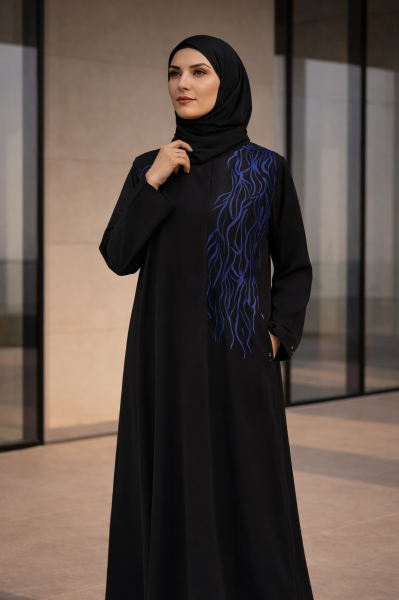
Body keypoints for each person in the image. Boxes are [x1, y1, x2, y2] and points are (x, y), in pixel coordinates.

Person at [100, 34, 314, 600]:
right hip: (163, 359)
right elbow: (118, 256)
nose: (183, 84)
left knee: (249, 484)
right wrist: (152, 182)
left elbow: (294, 265)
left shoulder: (266, 170)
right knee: (169, 478)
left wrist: (276, 338)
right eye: (174, 73)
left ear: (228, 82)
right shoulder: (149, 167)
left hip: (239, 360)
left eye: (198, 72)